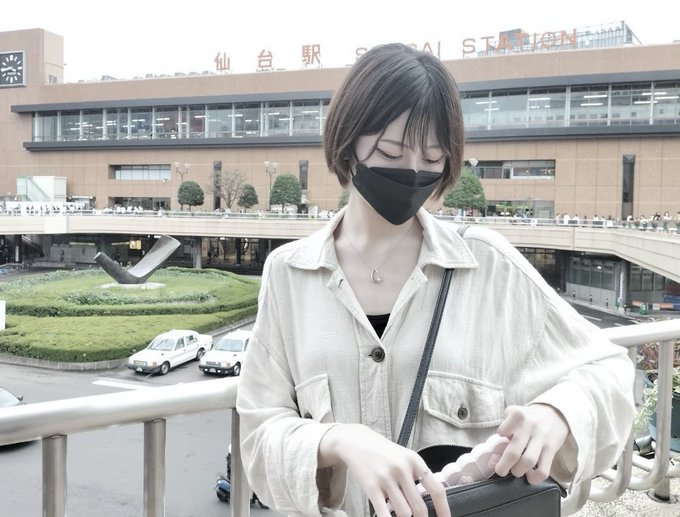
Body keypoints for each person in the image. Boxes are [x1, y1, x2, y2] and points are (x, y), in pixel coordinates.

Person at [236, 43, 635, 517]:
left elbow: (609, 372)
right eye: (391, 151)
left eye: (432, 158)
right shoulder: (288, 274)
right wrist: (338, 440)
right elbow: (259, 435)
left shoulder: (487, 265)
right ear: (347, 141)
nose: (412, 172)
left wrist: (557, 413)